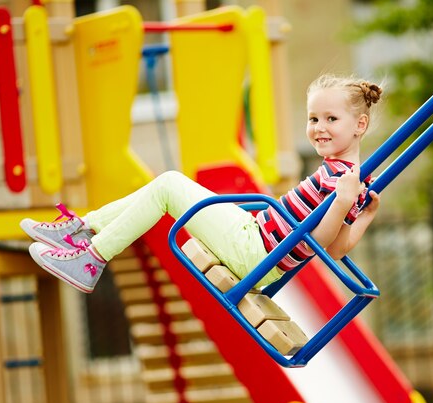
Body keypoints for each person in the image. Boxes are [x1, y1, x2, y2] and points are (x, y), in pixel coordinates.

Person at [20, 73, 383, 294]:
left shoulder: (343, 182)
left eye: (331, 119)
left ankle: (90, 258)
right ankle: (84, 230)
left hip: (257, 251)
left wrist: (344, 204)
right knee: (168, 184)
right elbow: (338, 248)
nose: (319, 127)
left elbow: (321, 245)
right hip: (253, 232)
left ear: (359, 125)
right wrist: (365, 214)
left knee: (168, 186)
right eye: (314, 118)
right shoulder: (346, 179)